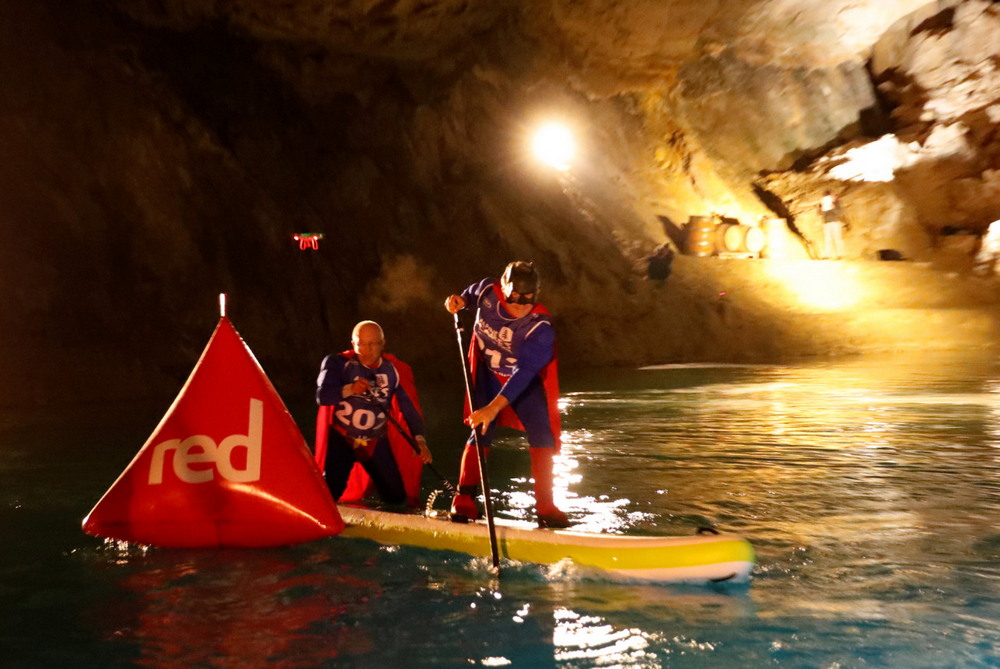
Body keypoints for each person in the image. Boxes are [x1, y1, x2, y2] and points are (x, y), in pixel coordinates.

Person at [444, 261, 570, 528]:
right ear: (504, 289)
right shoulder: (488, 291)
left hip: (520, 380)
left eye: (527, 302)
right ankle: (463, 500)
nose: (520, 307)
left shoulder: (540, 327)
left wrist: (494, 408)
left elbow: (524, 373)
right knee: (480, 430)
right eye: (514, 300)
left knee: (543, 434)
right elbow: (470, 294)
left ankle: (546, 507)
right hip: (489, 373)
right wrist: (459, 301)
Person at [315, 320, 432, 506]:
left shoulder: (394, 370)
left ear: (383, 344)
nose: (366, 350)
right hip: (342, 439)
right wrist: (350, 389)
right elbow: (323, 396)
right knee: (329, 495)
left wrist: (420, 440)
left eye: (372, 344)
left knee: (396, 497)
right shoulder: (337, 363)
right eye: (361, 343)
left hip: (375, 441)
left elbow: (409, 408)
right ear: (353, 344)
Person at [819, 190, 846, 260]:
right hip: (826, 222)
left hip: (835, 222)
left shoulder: (835, 202)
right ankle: (827, 255)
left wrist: (833, 207)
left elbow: (840, 212)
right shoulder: (822, 203)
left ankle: (840, 255)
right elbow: (819, 214)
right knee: (827, 239)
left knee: (837, 238)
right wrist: (821, 207)